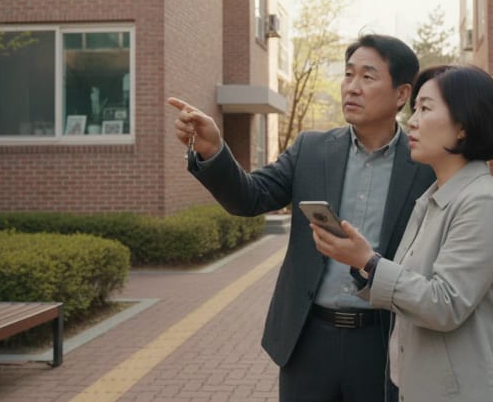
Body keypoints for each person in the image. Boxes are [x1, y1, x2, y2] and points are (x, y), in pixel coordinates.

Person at [167, 34, 436, 402]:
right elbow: (250, 197)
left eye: (368, 77)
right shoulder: (312, 150)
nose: (352, 88)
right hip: (308, 339)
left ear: (402, 94)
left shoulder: (425, 165)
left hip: (384, 340)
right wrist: (214, 150)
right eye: (348, 75)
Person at [312, 65, 493, 402]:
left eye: (425, 109)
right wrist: (363, 263)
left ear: (462, 127)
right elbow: (414, 288)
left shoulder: (484, 202)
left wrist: (369, 262)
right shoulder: (433, 199)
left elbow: (444, 304)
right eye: (414, 110)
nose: (411, 121)